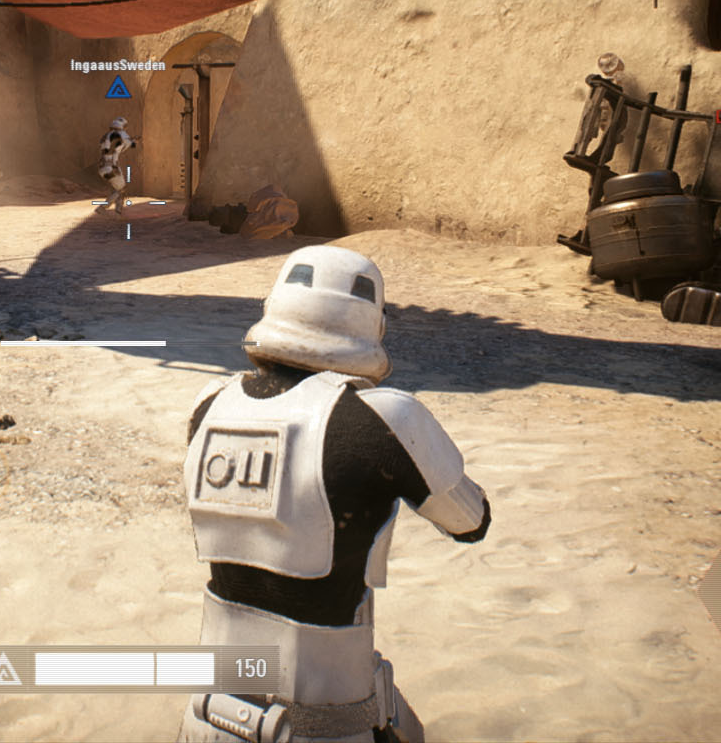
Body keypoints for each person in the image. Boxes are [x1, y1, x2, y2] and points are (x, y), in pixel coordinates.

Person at [178, 246, 490, 743]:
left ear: (274, 305)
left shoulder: (209, 403)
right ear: (373, 324)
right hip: (322, 721)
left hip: (208, 713)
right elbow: (471, 522)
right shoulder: (386, 416)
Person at [98, 115, 136, 216]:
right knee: (122, 189)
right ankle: (103, 208)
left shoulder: (106, 136)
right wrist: (133, 141)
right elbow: (128, 144)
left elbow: (114, 148)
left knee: (117, 189)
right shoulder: (121, 134)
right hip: (111, 167)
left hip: (103, 167)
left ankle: (118, 211)